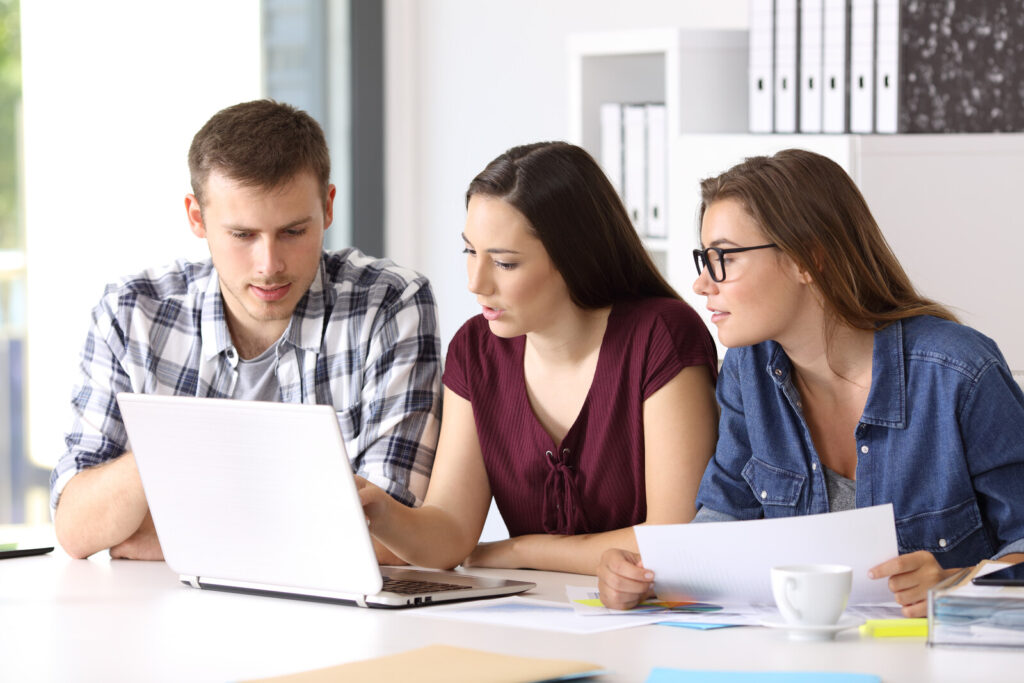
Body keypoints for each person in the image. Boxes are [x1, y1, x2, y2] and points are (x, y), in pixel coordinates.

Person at [598, 149, 1024, 615]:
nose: (702, 284)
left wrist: (954, 583)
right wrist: (646, 575)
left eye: (724, 258)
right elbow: (723, 520)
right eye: (704, 258)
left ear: (808, 260)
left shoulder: (958, 372)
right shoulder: (747, 369)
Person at [50, 100, 441, 562]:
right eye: (242, 235)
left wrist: (162, 532)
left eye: (294, 231)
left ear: (328, 207)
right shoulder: (132, 312)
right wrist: (173, 447)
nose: (270, 266)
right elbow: (76, 527)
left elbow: (392, 533)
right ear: (197, 217)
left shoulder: (390, 304)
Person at [357, 141, 719, 575]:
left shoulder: (661, 337)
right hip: (538, 618)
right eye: (469, 251)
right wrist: (379, 510)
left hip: (656, 625)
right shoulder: (475, 351)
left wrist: (517, 552)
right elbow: (450, 532)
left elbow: (671, 536)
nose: (476, 283)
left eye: (505, 263)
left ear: (573, 258)